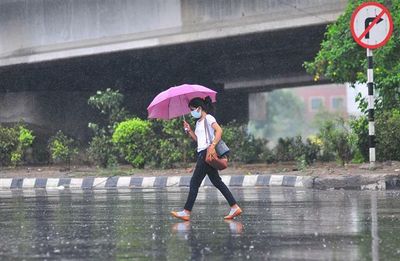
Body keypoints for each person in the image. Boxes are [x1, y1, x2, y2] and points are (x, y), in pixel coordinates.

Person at [171, 96, 242, 221]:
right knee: (217, 182)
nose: (191, 113)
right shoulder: (198, 122)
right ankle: (234, 206)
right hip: (203, 152)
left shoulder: (209, 118)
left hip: (206, 153)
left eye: (192, 109)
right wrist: (189, 131)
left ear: (199, 108)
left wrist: (213, 146)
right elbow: (199, 140)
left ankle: (186, 211)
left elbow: (219, 130)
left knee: (194, 183)